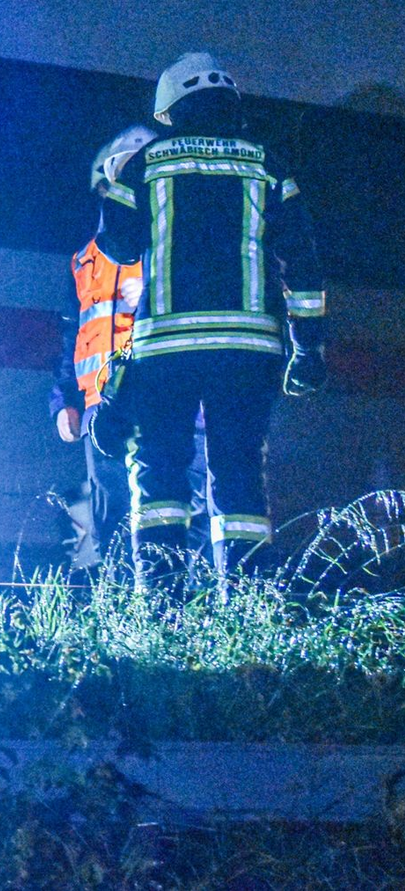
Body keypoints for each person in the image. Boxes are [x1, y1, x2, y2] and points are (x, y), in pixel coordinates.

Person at [98, 52, 327, 583]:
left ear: (172, 106)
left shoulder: (148, 162)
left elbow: (117, 245)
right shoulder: (268, 163)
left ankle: (161, 605)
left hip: (165, 350)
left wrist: (117, 187)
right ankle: (247, 602)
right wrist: (308, 346)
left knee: (160, 475)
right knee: (240, 473)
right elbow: (303, 258)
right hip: (248, 349)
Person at [50, 126, 152, 568]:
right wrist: (64, 402)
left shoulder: (165, 246)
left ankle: (173, 599)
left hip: (156, 400)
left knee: (163, 509)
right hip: (98, 411)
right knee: (111, 518)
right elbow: (71, 339)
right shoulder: (82, 262)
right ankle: (120, 600)